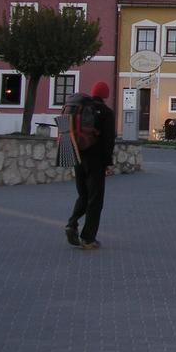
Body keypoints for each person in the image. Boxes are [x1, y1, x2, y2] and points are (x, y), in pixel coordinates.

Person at [64, 81, 116, 250]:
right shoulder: (106, 113)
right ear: (106, 95)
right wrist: (108, 163)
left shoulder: (80, 109)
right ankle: (88, 239)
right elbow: (109, 141)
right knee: (95, 200)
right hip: (96, 160)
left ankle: (71, 224)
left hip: (78, 155)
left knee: (83, 195)